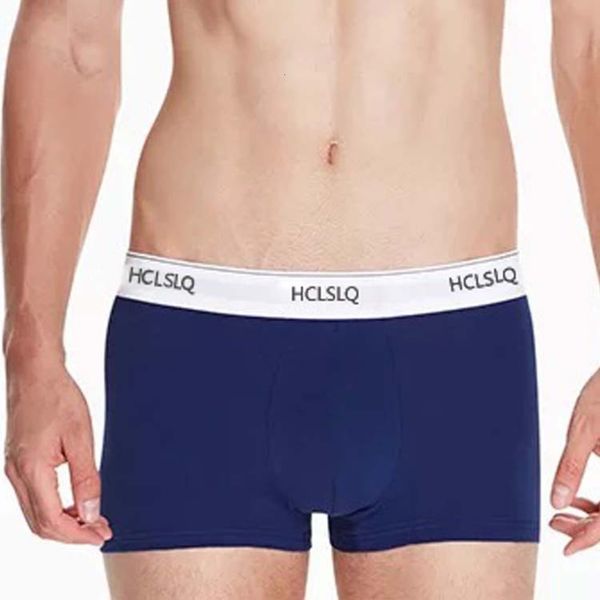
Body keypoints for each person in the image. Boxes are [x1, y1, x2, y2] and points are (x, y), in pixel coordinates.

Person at [2, 1, 599, 599]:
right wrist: (31, 355)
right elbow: (69, 37)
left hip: (450, 342)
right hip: (200, 339)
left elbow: (592, 41)